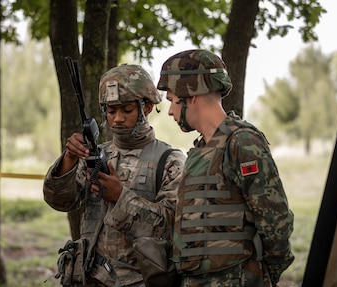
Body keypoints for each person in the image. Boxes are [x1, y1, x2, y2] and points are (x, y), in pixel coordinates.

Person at [156, 49, 294, 287]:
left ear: (190, 94)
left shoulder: (242, 142)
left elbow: (275, 221)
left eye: (171, 100)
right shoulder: (201, 149)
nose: (170, 111)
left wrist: (264, 275)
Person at [43, 64, 186, 286]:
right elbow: (60, 201)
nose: (117, 118)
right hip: (87, 277)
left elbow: (173, 226)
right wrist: (69, 159)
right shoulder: (96, 155)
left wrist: (121, 198)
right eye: (111, 111)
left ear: (146, 108)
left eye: (126, 110)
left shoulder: (169, 160)